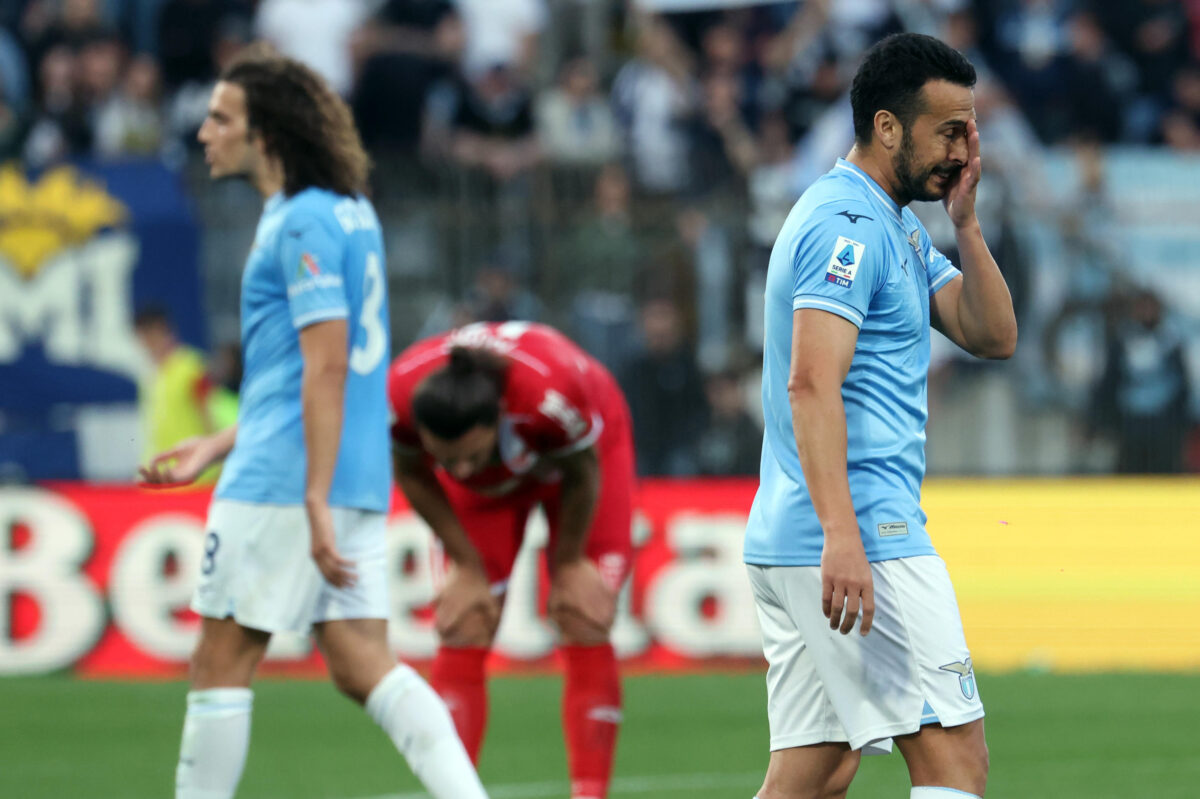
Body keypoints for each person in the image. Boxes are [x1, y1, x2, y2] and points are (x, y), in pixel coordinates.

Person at [137, 45, 488, 799]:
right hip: (349, 469)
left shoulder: (297, 223)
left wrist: (313, 496)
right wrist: (218, 440)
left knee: (220, 659)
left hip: (292, 478)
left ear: (266, 133)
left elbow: (327, 365)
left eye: (221, 118)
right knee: (363, 662)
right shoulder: (350, 211)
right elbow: (306, 373)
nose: (204, 132)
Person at [744, 33, 1018, 799]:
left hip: (797, 537)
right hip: (863, 535)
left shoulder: (890, 222)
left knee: (815, 772)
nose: (964, 148)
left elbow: (991, 334)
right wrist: (843, 536)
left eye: (970, 129)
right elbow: (809, 384)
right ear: (889, 127)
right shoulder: (848, 229)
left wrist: (965, 223)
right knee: (955, 763)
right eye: (949, 130)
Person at [388, 321, 634, 799]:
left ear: (496, 418)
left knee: (582, 613)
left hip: (586, 461)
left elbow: (583, 472)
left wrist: (566, 566)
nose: (459, 469)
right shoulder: (398, 399)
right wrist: (466, 564)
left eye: (470, 455)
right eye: (447, 460)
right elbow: (412, 474)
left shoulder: (548, 394)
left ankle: (590, 793)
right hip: (491, 495)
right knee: (465, 619)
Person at [133, 306, 224, 485]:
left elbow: (211, 416)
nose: (146, 343)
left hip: (198, 473)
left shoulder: (191, 367)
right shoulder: (151, 376)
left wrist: (216, 460)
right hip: (164, 473)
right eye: (142, 337)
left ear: (163, 331)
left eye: (150, 335)